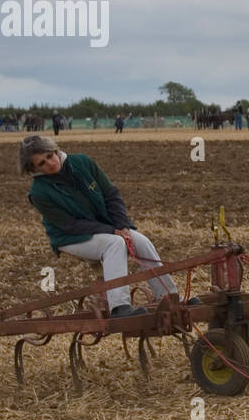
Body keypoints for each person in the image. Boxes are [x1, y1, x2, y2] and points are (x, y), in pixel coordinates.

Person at [19, 135, 195, 318]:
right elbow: (70, 225)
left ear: (55, 150)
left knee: (140, 241)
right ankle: (120, 307)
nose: (50, 163)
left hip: (106, 227)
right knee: (114, 244)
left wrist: (122, 226)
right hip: (70, 237)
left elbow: (111, 194)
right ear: (33, 169)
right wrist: (113, 231)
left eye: (49, 156)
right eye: (41, 163)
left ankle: (170, 297)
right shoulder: (39, 193)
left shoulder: (82, 162)